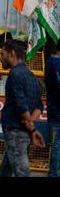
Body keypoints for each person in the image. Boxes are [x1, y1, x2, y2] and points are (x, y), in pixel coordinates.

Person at [0, 39, 45, 177]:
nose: (1, 58)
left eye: (2, 54)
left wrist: (31, 127)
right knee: (4, 172)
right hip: (22, 131)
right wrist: (31, 123)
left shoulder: (15, 74)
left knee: (21, 171)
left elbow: (20, 104)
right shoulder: (32, 77)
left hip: (15, 130)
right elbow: (39, 106)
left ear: (12, 53)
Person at [44, 39, 60, 177]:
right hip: (58, 108)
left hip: (52, 107)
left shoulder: (49, 63)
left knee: (56, 142)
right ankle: (54, 172)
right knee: (58, 143)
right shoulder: (58, 64)